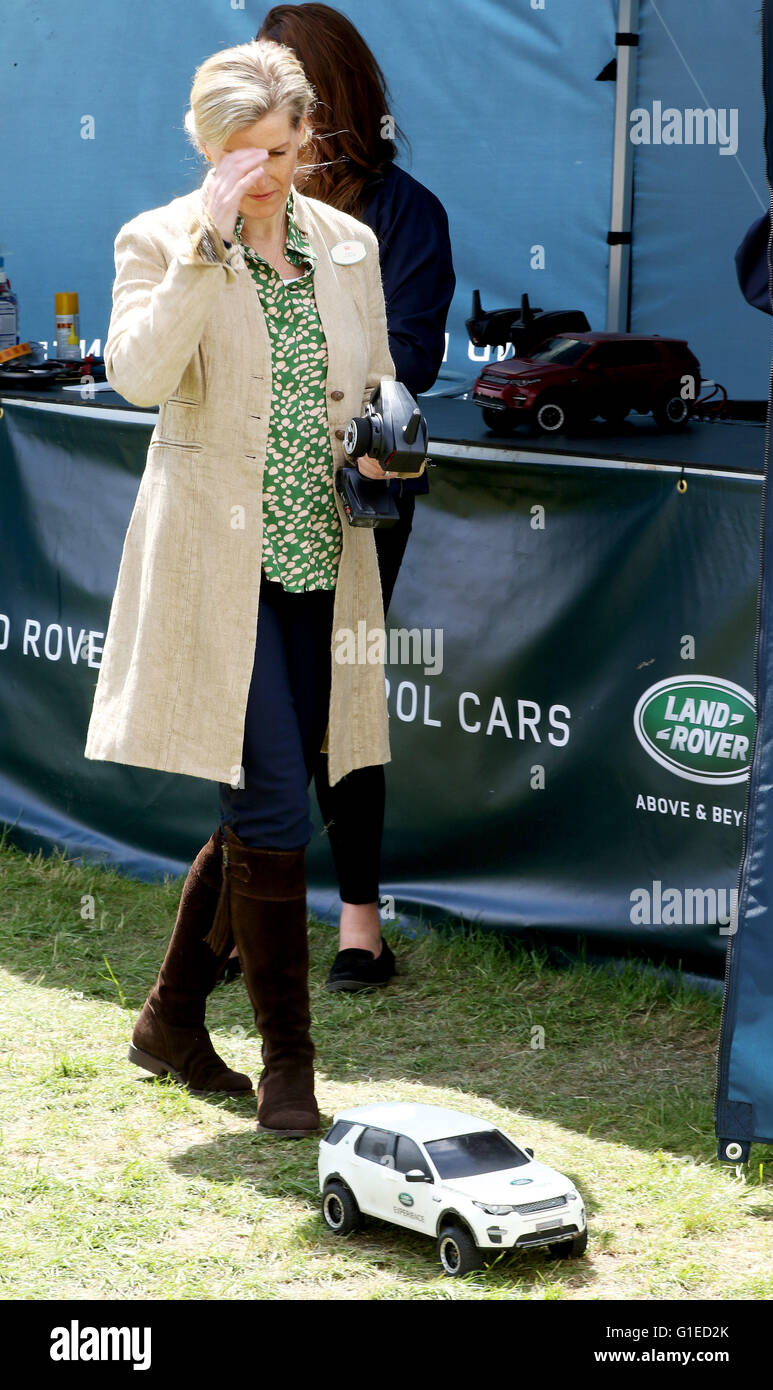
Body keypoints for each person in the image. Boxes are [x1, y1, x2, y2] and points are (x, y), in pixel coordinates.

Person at [84, 37, 403, 1136]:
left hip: (327, 554)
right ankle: (290, 1071)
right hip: (214, 570)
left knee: (276, 801)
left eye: (275, 148)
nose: (258, 172)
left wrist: (385, 441)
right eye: (234, 152)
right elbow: (133, 377)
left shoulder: (349, 246)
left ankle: (171, 1018)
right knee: (267, 801)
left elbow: (376, 380)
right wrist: (204, 251)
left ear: (308, 138)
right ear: (201, 146)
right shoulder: (160, 239)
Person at [240, 2, 457, 993]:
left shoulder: (404, 213)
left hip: (357, 500)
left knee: (339, 705)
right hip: (246, 492)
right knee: (255, 711)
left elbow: (406, 358)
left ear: (335, 98)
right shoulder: (238, 207)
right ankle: (248, 918)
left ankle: (358, 927)